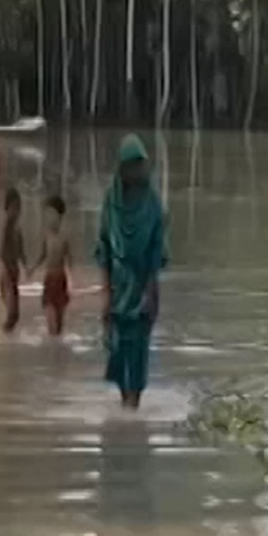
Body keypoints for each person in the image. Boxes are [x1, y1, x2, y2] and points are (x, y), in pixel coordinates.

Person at [96, 135, 167, 411]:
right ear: (122, 168)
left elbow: (156, 252)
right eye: (133, 165)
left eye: (141, 164)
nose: (139, 170)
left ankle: (132, 409)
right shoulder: (110, 203)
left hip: (142, 287)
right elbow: (103, 248)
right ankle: (124, 409)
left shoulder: (152, 205)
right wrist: (105, 293)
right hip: (116, 287)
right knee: (117, 351)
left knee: (138, 352)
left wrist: (151, 293)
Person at [30, 195, 72, 336]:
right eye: (47, 215)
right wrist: (33, 268)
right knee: (51, 319)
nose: (49, 219)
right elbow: (42, 255)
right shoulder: (46, 235)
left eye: (52, 214)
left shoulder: (65, 237)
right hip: (49, 280)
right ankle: (52, 343)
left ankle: (56, 353)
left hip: (61, 281)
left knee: (59, 325)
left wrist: (73, 282)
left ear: (60, 216)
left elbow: (70, 261)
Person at [0, 188, 26, 332]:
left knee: (14, 314)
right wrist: (7, 270)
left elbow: (20, 250)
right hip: (7, 271)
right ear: (7, 209)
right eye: (13, 208)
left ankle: (8, 339)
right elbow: (4, 251)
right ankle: (5, 336)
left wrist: (26, 266)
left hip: (14, 270)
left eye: (18, 207)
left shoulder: (17, 228)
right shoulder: (8, 227)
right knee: (12, 313)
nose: (16, 211)